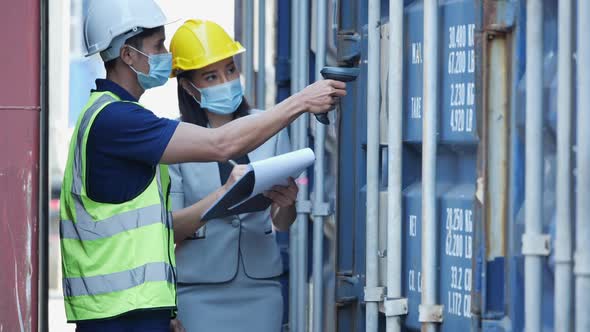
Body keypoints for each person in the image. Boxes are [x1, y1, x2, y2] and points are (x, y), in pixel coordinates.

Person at [59, 1, 346, 331]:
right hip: (123, 311)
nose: (165, 57)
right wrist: (302, 101)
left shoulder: (112, 116)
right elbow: (221, 144)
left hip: (132, 306)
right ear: (128, 55)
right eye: (157, 46)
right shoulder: (118, 119)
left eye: (229, 69)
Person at [167, 19, 297, 332]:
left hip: (261, 289)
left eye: (230, 70)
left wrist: (289, 203)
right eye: (211, 76)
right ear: (188, 86)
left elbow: (281, 222)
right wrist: (223, 194)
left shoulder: (270, 127)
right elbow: (171, 228)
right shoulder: (174, 139)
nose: (226, 81)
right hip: (198, 292)